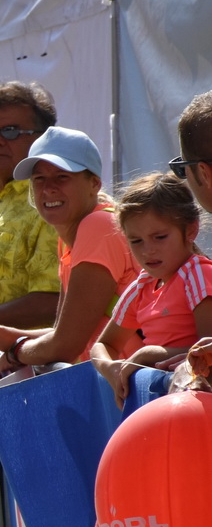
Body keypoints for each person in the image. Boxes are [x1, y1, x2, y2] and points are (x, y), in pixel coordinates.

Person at [0, 127, 138, 376]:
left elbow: (65, 347)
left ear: (94, 184)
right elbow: (62, 333)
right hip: (120, 389)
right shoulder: (73, 237)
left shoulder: (98, 226)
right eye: (39, 179)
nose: (48, 188)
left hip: (134, 392)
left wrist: (13, 350)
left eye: (62, 177)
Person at [88, 172, 212, 403]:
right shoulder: (141, 286)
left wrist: (148, 355)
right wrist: (111, 370)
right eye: (136, 241)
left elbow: (208, 350)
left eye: (160, 237)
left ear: (190, 231)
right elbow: (103, 346)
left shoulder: (197, 274)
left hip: (197, 405)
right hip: (162, 403)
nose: (148, 250)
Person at [0, 83, 62, 328]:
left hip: (37, 362)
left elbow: (53, 303)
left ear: (42, 138)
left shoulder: (52, 200)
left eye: (10, 131)